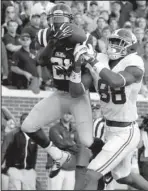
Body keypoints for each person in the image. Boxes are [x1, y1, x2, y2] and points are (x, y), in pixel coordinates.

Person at [21, 3, 103, 175]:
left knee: (88, 140)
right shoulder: (45, 35)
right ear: (49, 20)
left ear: (70, 21)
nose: (58, 23)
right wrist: (53, 43)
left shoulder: (82, 38)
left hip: (78, 96)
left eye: (62, 19)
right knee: (28, 126)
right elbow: (41, 60)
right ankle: (59, 156)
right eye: (55, 19)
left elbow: (82, 36)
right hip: (58, 94)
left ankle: (108, 159)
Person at [71, 28, 148, 190]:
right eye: (112, 41)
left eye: (119, 43)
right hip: (109, 128)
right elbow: (76, 91)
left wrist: (92, 61)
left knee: (91, 173)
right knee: (124, 177)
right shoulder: (100, 59)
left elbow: (116, 81)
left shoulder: (134, 62)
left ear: (130, 47)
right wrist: (77, 66)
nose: (113, 46)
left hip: (126, 131)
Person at [1, 113, 38, 190]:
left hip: (29, 170)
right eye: (23, 120)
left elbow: (34, 153)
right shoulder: (13, 134)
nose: (25, 121)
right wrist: (6, 167)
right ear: (20, 122)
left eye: (27, 119)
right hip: (15, 169)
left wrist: (33, 169)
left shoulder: (34, 136)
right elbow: (4, 151)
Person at [47, 113, 81, 190]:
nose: (67, 115)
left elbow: (78, 148)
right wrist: (72, 142)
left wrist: (64, 141)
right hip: (56, 166)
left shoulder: (75, 130)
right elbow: (60, 144)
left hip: (71, 168)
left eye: (69, 113)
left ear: (72, 115)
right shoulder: (54, 129)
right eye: (65, 113)